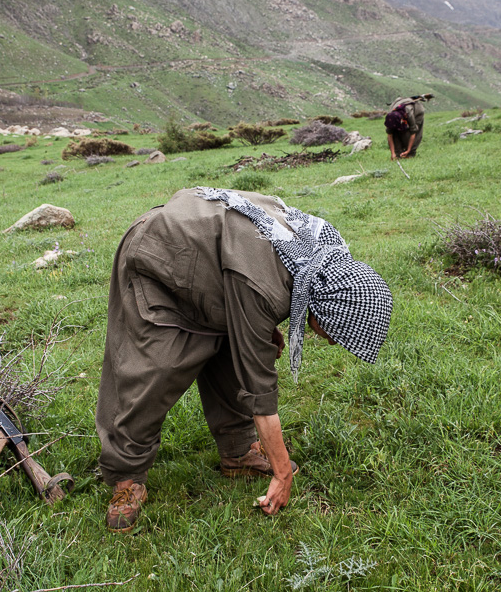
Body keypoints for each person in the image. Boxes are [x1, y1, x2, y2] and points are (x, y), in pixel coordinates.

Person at [95, 187, 393, 532]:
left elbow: (259, 295)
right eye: (335, 334)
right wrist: (282, 473)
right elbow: (260, 390)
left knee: (228, 348)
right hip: (158, 254)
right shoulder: (266, 283)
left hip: (212, 263)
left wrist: (261, 325)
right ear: (328, 310)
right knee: (155, 369)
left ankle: (237, 453)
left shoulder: (318, 255)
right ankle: (126, 476)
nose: (331, 341)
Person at [386, 93, 433, 159]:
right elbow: (390, 135)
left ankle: (410, 154)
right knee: (396, 136)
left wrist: (408, 150)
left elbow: (413, 133)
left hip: (416, 112)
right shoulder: (391, 118)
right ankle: (398, 154)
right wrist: (393, 153)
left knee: (409, 134)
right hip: (400, 114)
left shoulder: (409, 113)